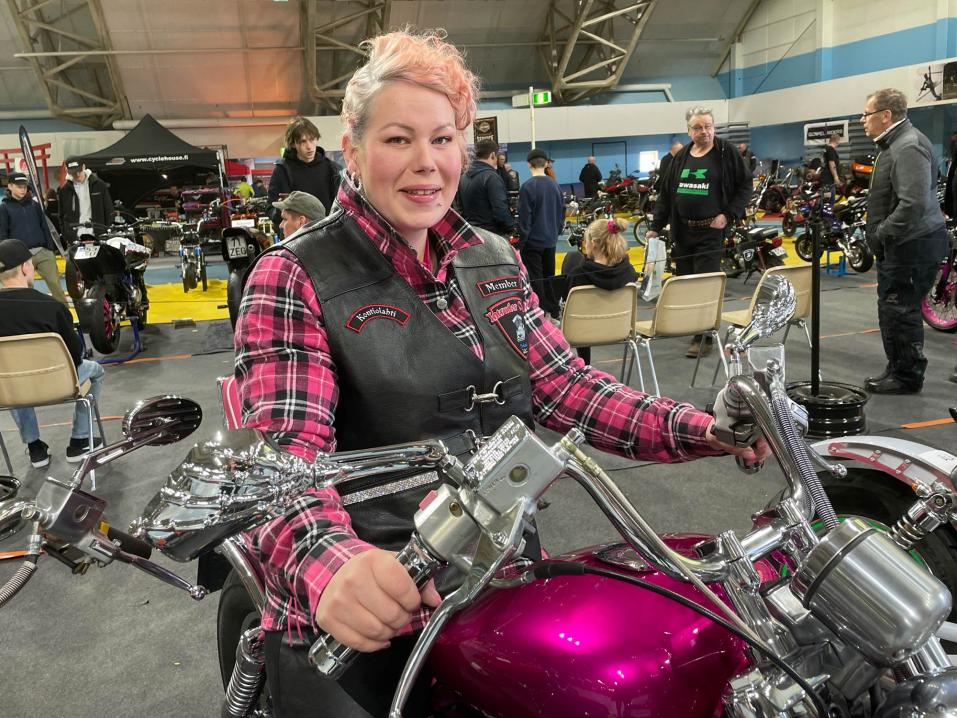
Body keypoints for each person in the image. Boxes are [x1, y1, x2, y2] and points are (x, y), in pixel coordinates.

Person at [234, 29, 768, 718]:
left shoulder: (491, 256)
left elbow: (567, 388)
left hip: (494, 577)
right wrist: (332, 564)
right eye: (398, 139)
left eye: (442, 138)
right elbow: (286, 461)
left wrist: (705, 429)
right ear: (353, 150)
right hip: (366, 607)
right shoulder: (293, 273)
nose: (426, 162)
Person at [861, 88, 948, 394]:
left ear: (886, 115)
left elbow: (913, 204)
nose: (863, 121)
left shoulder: (908, 146)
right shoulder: (895, 143)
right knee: (893, 310)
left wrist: (882, 233)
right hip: (904, 245)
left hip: (912, 245)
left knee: (900, 311)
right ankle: (898, 368)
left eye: (867, 115)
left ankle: (907, 377)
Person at [647, 106, 751, 358]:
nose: (704, 131)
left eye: (708, 126)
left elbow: (745, 186)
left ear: (713, 127)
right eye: (698, 127)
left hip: (710, 233)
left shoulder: (726, 153)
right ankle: (692, 326)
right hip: (683, 232)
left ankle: (704, 337)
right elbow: (666, 194)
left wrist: (728, 215)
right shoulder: (681, 156)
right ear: (689, 130)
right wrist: (655, 227)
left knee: (704, 285)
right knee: (685, 284)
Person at [0, 239, 105, 468]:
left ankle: (35, 447)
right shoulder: (52, 307)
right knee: (96, 371)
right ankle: (79, 441)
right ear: (26, 267)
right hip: (58, 383)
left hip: (10, 390)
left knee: (10, 376)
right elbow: (75, 355)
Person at [564, 217, 638, 363]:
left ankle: (584, 364)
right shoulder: (629, 271)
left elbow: (566, 304)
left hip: (581, 333)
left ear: (593, 243)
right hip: (620, 330)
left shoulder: (577, 274)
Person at [0, 172, 68, 307]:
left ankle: (65, 315)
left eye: (24, 187)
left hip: (43, 252)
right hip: (20, 257)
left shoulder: (34, 205)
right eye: (19, 187)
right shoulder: (4, 208)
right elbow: (2, 233)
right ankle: (29, 317)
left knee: (56, 285)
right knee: (26, 291)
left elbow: (45, 226)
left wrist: (49, 248)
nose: (23, 189)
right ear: (10, 186)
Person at [267, 116, 341, 231]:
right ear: (293, 144)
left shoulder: (332, 169)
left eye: (312, 140)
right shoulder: (282, 171)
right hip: (295, 236)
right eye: (303, 141)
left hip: (326, 234)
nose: (309, 146)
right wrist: (281, 208)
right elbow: (271, 211)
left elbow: (341, 208)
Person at [519, 148, 565, 317]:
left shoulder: (527, 187)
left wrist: (522, 242)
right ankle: (553, 310)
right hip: (550, 240)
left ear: (528, 165)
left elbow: (525, 218)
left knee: (535, 279)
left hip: (533, 242)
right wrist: (556, 232)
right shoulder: (555, 185)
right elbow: (562, 212)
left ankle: (540, 313)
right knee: (549, 277)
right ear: (546, 164)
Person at [457, 138, 516, 236]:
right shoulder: (492, 177)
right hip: (492, 235)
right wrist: (511, 228)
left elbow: (459, 208)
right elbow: (500, 211)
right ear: (493, 155)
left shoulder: (463, 177)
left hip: (470, 235)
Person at [58, 160, 113, 244]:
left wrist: (106, 231)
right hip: (75, 239)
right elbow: (61, 216)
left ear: (83, 167)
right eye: (73, 172)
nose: (77, 174)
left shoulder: (99, 185)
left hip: (98, 236)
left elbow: (109, 210)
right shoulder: (64, 191)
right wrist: (67, 235)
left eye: (79, 171)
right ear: (67, 171)